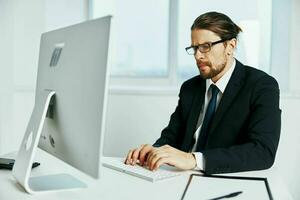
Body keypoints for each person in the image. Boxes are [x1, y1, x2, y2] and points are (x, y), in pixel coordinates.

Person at [125, 11, 281, 174]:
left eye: (206, 46)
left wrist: (193, 159)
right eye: (194, 48)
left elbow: (263, 152)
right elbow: (171, 137)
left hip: (224, 180)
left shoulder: (262, 86)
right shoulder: (189, 88)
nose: (198, 56)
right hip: (180, 177)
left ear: (230, 46)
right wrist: (154, 151)